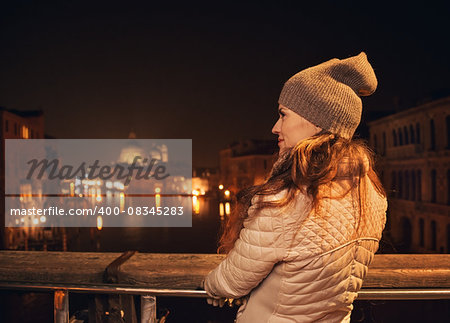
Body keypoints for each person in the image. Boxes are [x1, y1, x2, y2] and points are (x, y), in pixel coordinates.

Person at [201, 52, 388, 322]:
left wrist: (212, 286)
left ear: (315, 122)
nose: (275, 127)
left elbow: (233, 280)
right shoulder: (372, 195)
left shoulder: (287, 199)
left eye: (283, 115)